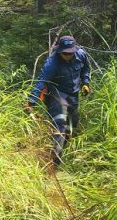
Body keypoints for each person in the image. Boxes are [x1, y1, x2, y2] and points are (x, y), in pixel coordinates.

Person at [26, 35, 91, 166]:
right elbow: (41, 81)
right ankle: (53, 163)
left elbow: (86, 69)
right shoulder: (52, 63)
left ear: (75, 50)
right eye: (65, 53)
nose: (68, 56)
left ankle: (57, 149)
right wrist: (31, 102)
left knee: (72, 124)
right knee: (60, 123)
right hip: (55, 93)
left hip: (73, 92)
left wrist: (85, 82)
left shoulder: (81, 54)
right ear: (60, 51)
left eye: (70, 53)